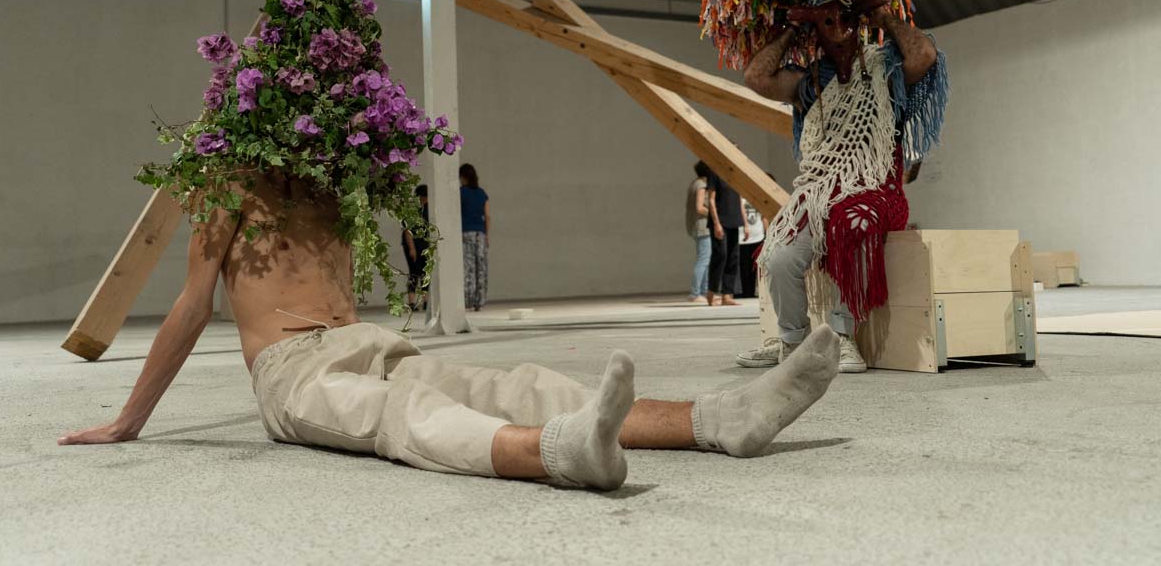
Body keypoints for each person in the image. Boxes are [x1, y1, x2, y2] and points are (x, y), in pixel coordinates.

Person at [57, 170, 844, 491]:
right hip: (293, 372)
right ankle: (559, 453)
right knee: (401, 415)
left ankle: (721, 419)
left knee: (517, 384)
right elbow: (193, 305)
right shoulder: (227, 184)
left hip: (363, 340)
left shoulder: (333, 178)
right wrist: (128, 421)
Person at [734, 0, 947, 373]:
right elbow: (756, 77)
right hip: (818, 191)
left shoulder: (886, 70)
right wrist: (793, 28)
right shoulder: (809, 83)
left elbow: (925, 55)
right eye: (826, 20)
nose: (837, 26)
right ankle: (793, 342)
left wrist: (883, 16)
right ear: (815, 30)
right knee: (778, 254)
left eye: (845, 17)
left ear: (860, 22)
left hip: (876, 189)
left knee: (853, 222)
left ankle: (841, 336)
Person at [705, 168, 747, 307]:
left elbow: (740, 201)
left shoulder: (735, 175)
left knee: (733, 258)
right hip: (720, 221)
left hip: (734, 220)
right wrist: (716, 223)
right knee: (720, 255)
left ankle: (727, 295)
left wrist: (746, 224)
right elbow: (711, 200)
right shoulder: (715, 173)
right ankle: (712, 292)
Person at [459, 163, 490, 311]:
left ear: (463, 177)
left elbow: (457, 214)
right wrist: (487, 235)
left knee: (468, 268)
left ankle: (468, 300)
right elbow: (487, 216)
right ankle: (480, 301)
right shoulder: (482, 193)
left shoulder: (461, 192)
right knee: (481, 268)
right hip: (481, 233)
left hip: (466, 233)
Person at [401, 184, 430, 313]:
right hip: (412, 244)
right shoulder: (411, 210)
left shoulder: (428, 209)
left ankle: (425, 301)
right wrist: (412, 248)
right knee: (414, 273)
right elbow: (407, 230)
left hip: (424, 245)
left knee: (425, 273)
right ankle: (412, 302)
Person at [686, 161, 712, 301]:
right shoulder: (701, 185)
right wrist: (714, 214)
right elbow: (700, 207)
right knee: (703, 260)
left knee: (705, 259)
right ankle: (695, 293)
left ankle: (703, 292)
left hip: (696, 226)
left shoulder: (694, 183)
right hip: (703, 226)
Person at [737, 197, 767, 298]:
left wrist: (767, 232)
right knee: (743, 266)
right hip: (742, 236)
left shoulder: (756, 197)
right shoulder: (739, 197)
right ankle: (743, 292)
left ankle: (751, 292)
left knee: (754, 266)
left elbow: (763, 216)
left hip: (757, 235)